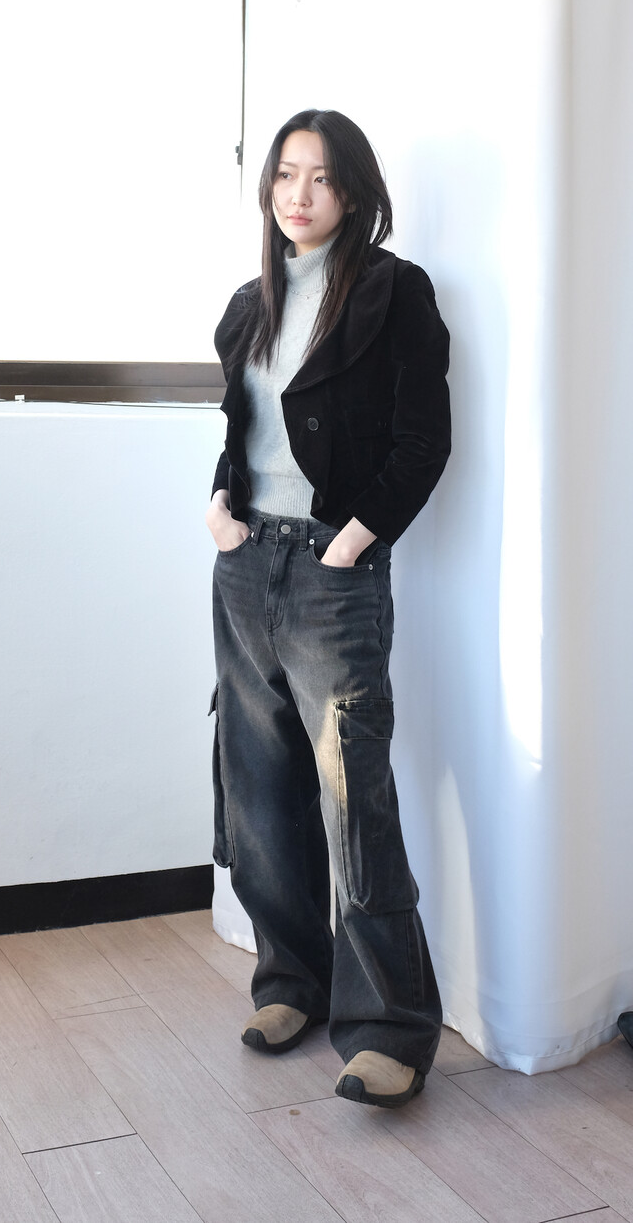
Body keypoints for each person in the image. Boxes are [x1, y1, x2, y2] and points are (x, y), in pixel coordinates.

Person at [206, 108, 450, 1109]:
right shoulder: (247, 306)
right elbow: (245, 431)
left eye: (319, 177)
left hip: (330, 571)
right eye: (284, 175)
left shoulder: (393, 291)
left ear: (353, 191)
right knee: (259, 788)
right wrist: (219, 506)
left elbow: (423, 440)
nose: (297, 194)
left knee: (355, 801)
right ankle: (290, 982)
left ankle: (390, 1029)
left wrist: (354, 539)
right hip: (244, 565)